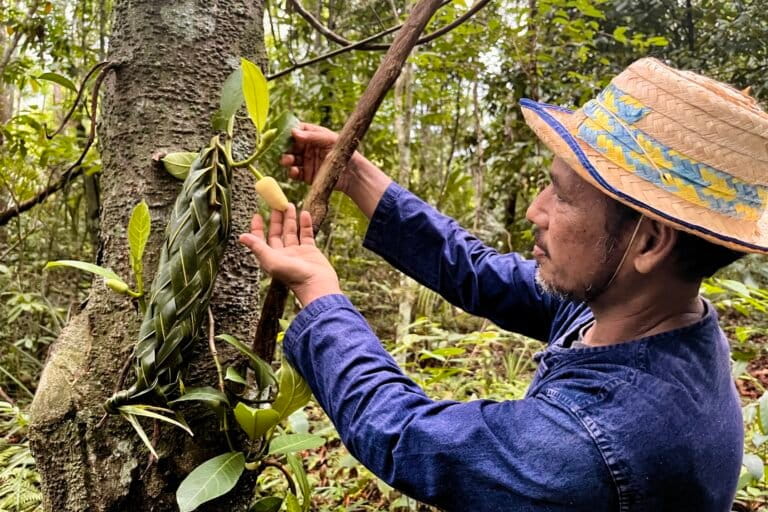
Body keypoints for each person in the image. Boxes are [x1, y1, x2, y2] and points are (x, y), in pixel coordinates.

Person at [239, 58, 768, 511]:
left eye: (561, 195)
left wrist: (320, 292)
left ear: (650, 243)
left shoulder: (594, 442)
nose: (536, 210)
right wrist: (355, 176)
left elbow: (406, 435)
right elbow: (479, 272)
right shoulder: (644, 312)